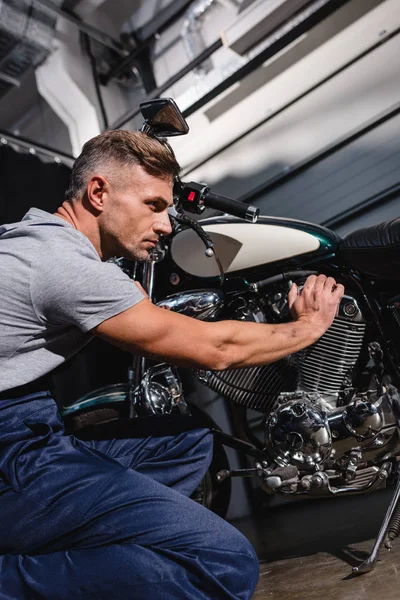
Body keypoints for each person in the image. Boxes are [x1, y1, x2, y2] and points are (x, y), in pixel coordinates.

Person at [0, 129, 344, 599]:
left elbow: (144, 319)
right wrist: (304, 330)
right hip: (12, 453)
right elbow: (215, 349)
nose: (166, 225)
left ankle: (90, 551)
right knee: (223, 563)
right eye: (154, 205)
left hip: (30, 431)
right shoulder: (65, 266)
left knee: (185, 442)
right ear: (99, 193)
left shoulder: (39, 241)